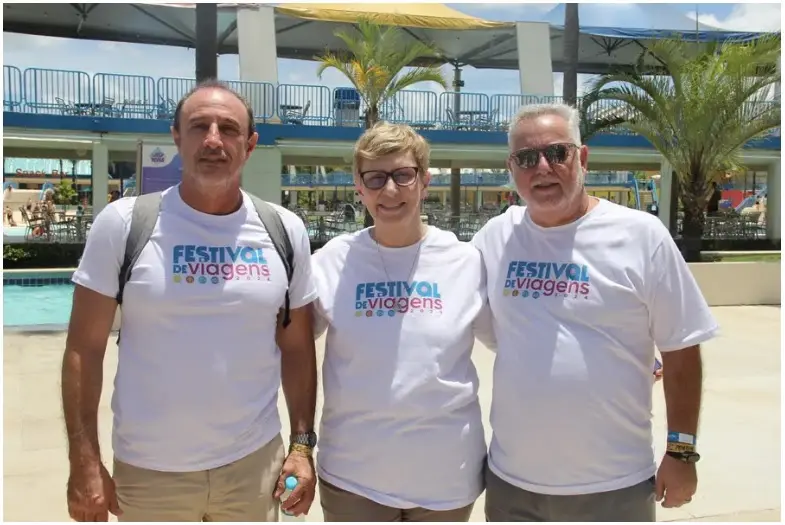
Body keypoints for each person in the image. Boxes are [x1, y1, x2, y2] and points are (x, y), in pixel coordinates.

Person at [61, 80, 319, 522]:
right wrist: (84, 459)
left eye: (229, 129)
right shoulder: (125, 224)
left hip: (253, 468)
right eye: (199, 126)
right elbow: (84, 349)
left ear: (250, 144)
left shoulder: (284, 229)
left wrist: (301, 446)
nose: (214, 140)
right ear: (177, 137)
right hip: (150, 472)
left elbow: (297, 348)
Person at [472, 103, 718, 522]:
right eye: (527, 158)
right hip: (512, 484)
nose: (543, 167)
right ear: (512, 168)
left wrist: (681, 451)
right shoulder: (495, 237)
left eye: (558, 152)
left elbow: (681, 348)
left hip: (613, 485)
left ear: (582, 157)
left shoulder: (641, 235)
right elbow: (490, 327)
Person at [311, 122, 496, 521]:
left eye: (403, 175)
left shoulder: (465, 261)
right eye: (375, 178)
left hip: (446, 478)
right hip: (352, 476)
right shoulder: (332, 261)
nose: (389, 190)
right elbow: (281, 342)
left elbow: (518, 339)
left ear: (425, 181)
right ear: (358, 187)